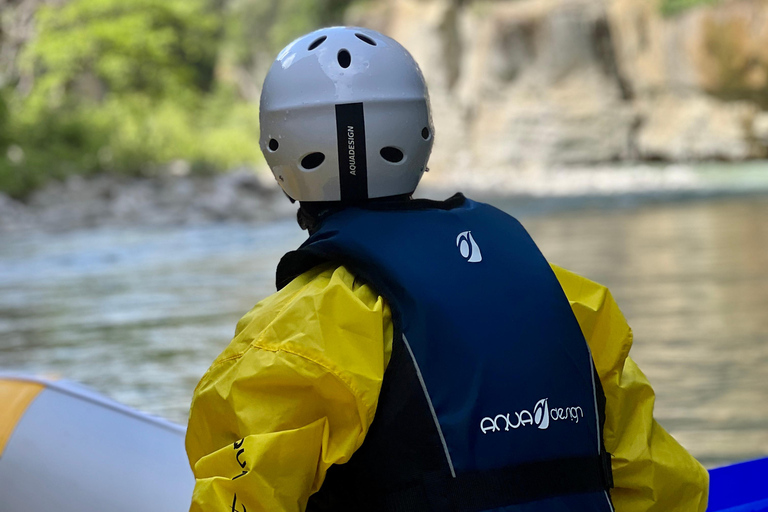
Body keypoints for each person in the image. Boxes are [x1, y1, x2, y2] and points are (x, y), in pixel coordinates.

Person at [185, 26, 708, 512]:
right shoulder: (569, 300)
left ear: (280, 160)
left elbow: (238, 497)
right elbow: (662, 484)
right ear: (422, 137)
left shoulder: (294, 336)